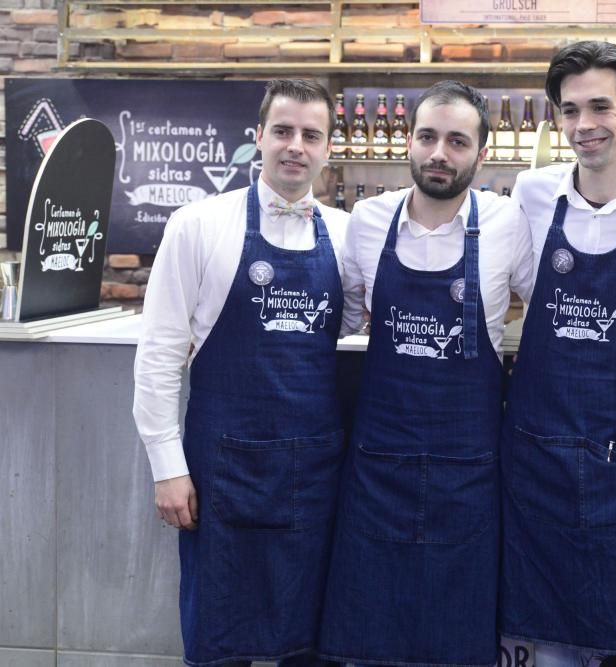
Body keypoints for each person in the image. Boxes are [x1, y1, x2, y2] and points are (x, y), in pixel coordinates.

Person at [133, 79, 354, 666]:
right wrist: (166, 466)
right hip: (221, 474)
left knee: (310, 644)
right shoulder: (198, 224)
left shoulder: (348, 233)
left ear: (329, 148)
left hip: (315, 475)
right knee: (220, 638)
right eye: (282, 131)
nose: (295, 147)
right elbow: (158, 355)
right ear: (258, 137)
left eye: (311, 135)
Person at [317, 80, 533, 666]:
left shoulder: (510, 223)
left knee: (456, 639)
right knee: (369, 639)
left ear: (482, 155)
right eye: (429, 137)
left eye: (457, 141)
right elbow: (346, 317)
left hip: (468, 470)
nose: (440, 152)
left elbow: (545, 315)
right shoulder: (366, 220)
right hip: (378, 466)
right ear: (409, 143)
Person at [501, 41, 616, 667]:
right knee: (540, 635)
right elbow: (506, 285)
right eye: (569, 110)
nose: (584, 125)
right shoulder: (531, 194)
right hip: (537, 448)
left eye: (600, 107)